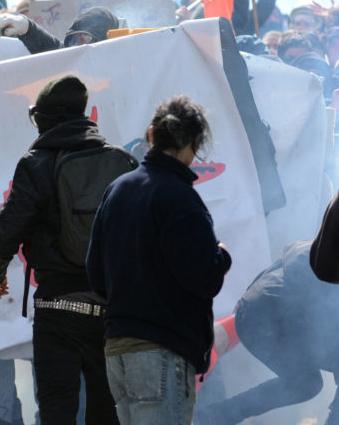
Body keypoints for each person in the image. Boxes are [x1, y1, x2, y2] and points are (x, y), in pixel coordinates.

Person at [0, 75, 131, 424]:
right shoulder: (122, 162)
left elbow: (5, 232)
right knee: (107, 412)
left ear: (46, 119)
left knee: (56, 411)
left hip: (56, 310)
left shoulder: (36, 163)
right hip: (111, 312)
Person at [87, 95, 232, 424]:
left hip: (118, 351)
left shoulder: (118, 189)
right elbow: (204, 278)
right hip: (162, 354)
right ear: (194, 144)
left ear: (152, 135)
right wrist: (222, 256)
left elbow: (96, 276)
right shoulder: (180, 197)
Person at [194, 241, 339, 424]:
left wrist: (248, 296)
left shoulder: (324, 247)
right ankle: (211, 419)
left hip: (252, 308)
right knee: (305, 384)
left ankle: (210, 418)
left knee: (307, 383)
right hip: (269, 320)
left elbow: (292, 256)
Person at [0, 6, 120, 54]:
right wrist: (28, 28)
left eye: (86, 39)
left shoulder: (121, 69)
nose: (78, 45)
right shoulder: (67, 58)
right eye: (75, 39)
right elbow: (53, 49)